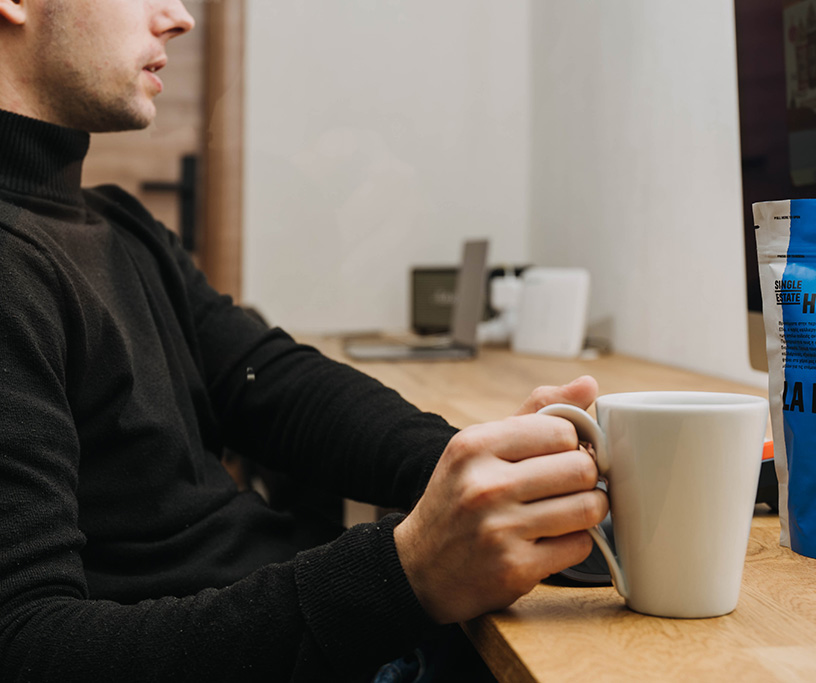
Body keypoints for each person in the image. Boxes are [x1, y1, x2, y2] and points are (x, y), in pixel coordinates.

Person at [0, 1, 608, 680]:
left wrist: (488, 471)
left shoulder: (121, 225)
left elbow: (276, 381)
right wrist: (405, 573)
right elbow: (29, 647)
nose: (177, 17)